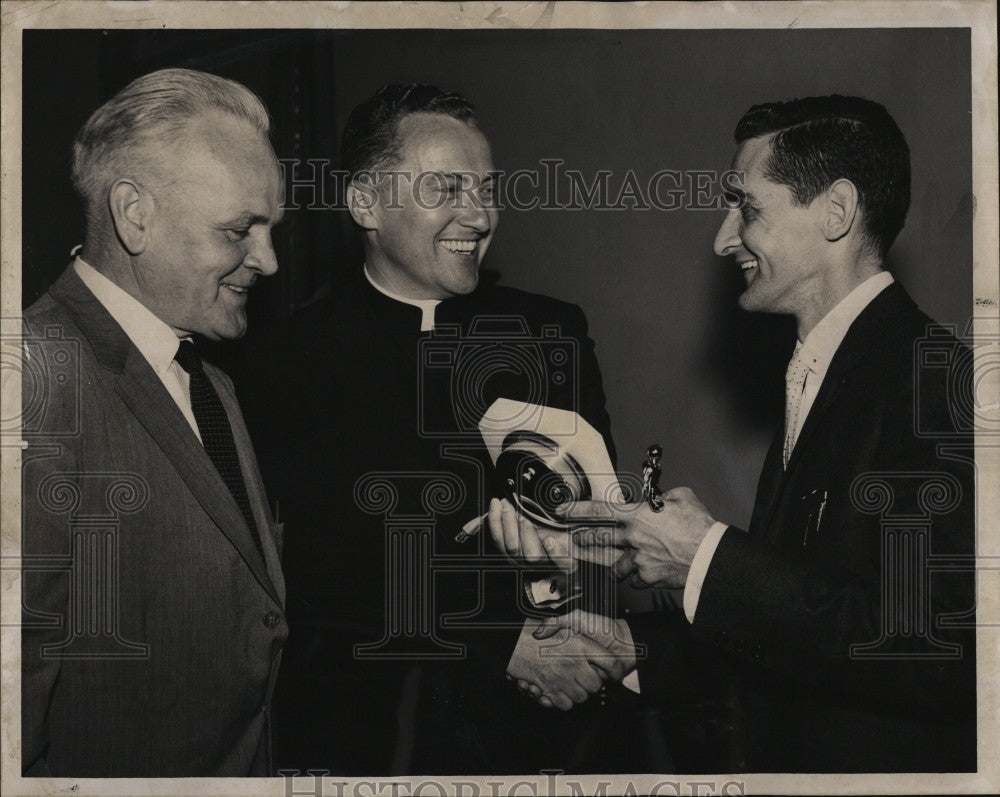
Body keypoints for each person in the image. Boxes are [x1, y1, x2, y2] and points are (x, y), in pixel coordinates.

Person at [491, 95, 977, 773]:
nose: (723, 239)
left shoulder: (935, 385)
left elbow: (946, 646)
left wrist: (706, 558)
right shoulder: (834, 368)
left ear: (836, 211)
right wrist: (631, 644)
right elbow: (804, 623)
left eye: (745, 207)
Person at [243, 84, 665, 775]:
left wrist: (594, 563)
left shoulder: (548, 331)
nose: (480, 213)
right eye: (448, 187)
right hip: (365, 733)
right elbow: (307, 573)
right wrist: (502, 639)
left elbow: (597, 519)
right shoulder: (283, 358)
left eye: (487, 187)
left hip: (539, 732)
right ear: (365, 204)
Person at [20, 68, 286, 776]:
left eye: (270, 229)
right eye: (240, 230)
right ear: (135, 214)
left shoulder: (212, 383)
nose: (268, 259)